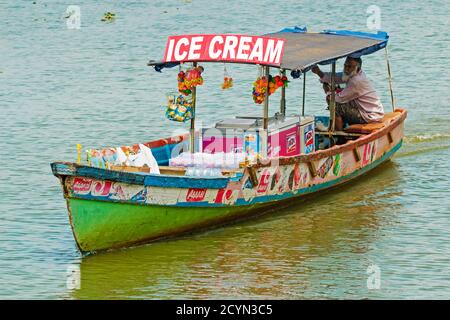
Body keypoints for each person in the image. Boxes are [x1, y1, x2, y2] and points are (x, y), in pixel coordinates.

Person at [311, 56, 384, 131]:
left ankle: (338, 137)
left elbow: (338, 99)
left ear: (357, 68)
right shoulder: (353, 74)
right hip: (367, 110)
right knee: (337, 99)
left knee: (335, 105)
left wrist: (328, 91)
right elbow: (336, 77)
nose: (346, 69)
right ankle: (333, 127)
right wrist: (319, 72)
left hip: (370, 115)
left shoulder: (356, 81)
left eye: (349, 67)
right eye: (345, 66)